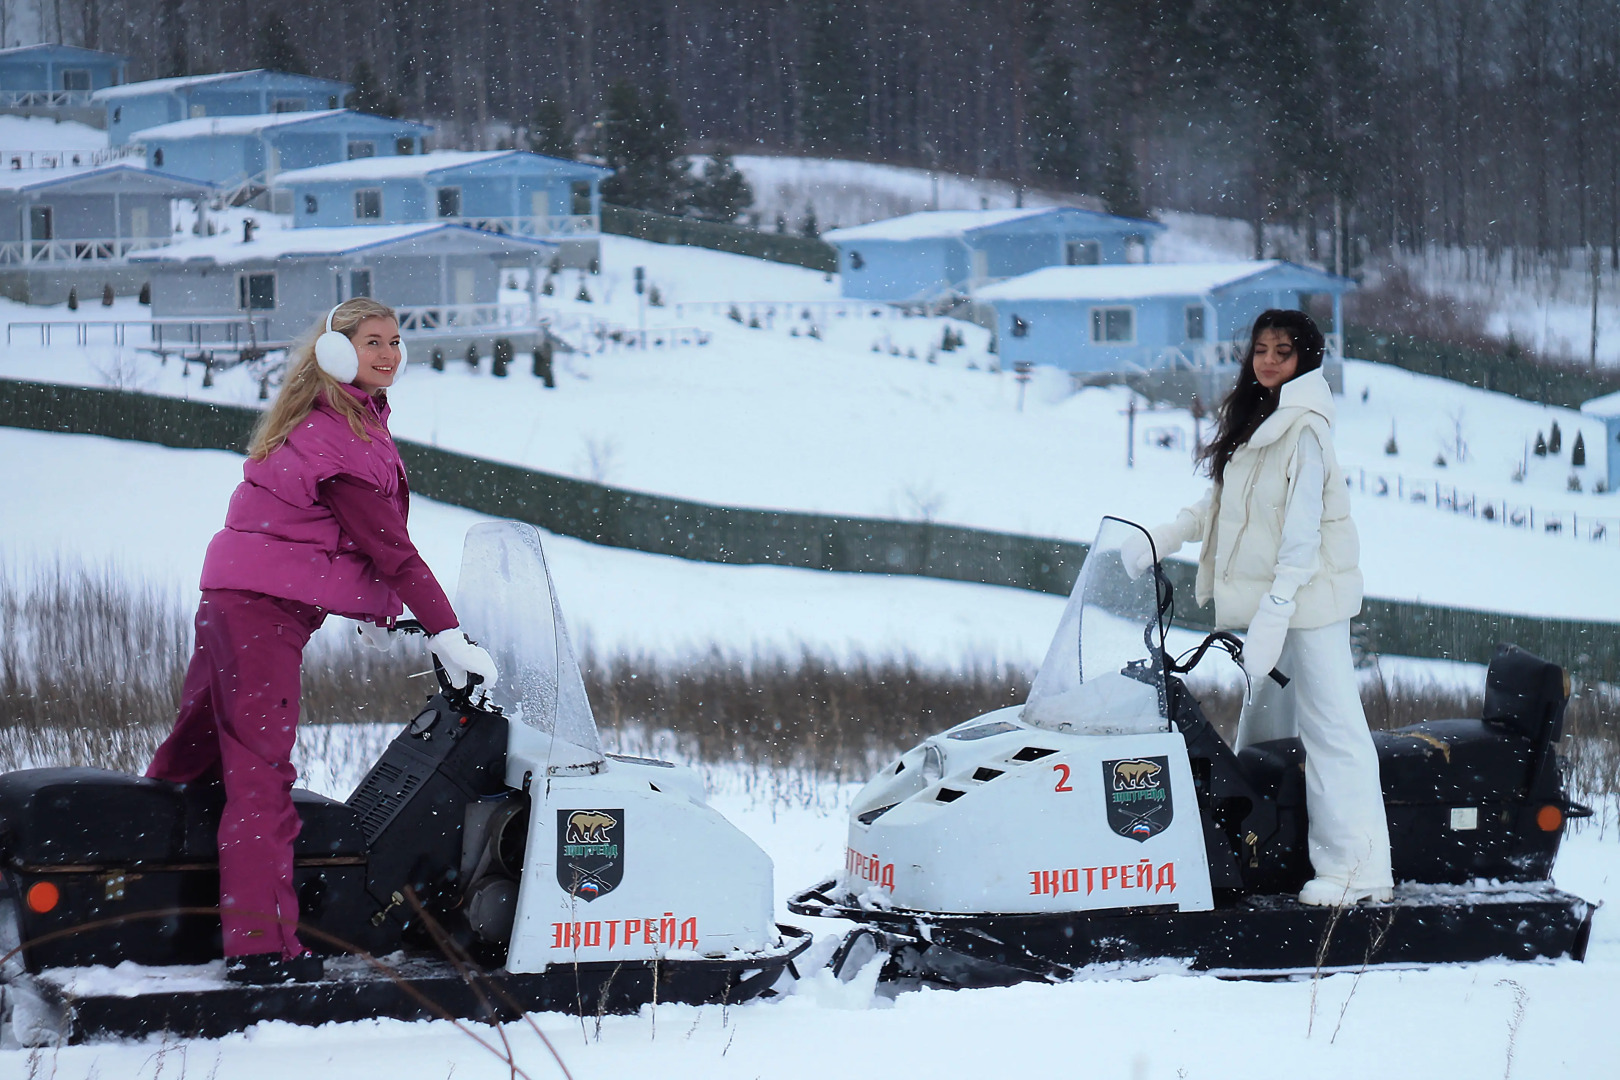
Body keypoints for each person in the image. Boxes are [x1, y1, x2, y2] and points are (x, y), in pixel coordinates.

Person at [146, 298, 499, 983]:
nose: (390, 354)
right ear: (338, 354)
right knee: (261, 778)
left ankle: (138, 893)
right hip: (260, 615)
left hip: (236, 603)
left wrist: (376, 610)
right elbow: (391, 549)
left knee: (193, 759)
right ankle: (259, 950)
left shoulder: (339, 423)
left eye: (396, 341)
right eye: (373, 343)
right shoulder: (337, 436)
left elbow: (314, 540)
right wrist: (444, 630)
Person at [1125, 309, 1393, 907]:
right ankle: (1263, 846)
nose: (1269, 360)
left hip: (1311, 601)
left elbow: (1303, 535)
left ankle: (1359, 869)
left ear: (1307, 359)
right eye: (1262, 350)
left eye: (1284, 351)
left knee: (1332, 730)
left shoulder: (1306, 430)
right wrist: (1165, 536)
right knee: (1267, 726)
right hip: (1275, 604)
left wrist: (1275, 611)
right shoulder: (1256, 420)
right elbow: (1220, 505)